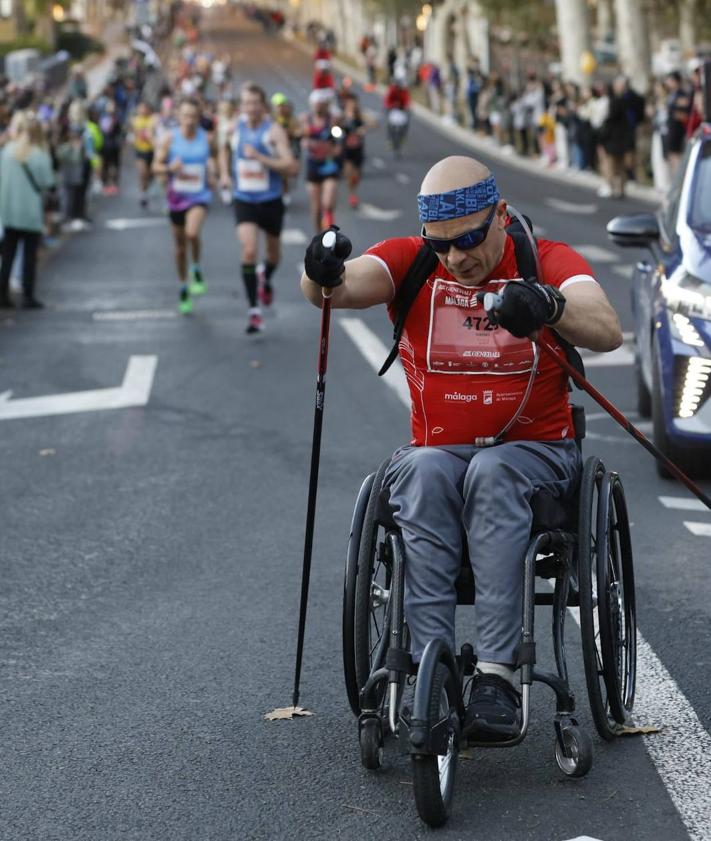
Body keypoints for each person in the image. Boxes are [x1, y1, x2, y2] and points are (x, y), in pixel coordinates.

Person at [300, 156, 622, 741]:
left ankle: (496, 678)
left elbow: (606, 328)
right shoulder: (416, 262)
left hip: (534, 453)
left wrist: (550, 305)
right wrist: (319, 270)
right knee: (419, 471)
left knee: (494, 472)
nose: (458, 258)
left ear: (499, 215)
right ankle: (431, 667)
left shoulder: (544, 260)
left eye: (470, 239)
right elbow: (338, 290)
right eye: (442, 244)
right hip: (440, 455)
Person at [219, 82, 297, 334]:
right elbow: (221, 149)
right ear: (240, 106)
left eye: (255, 103)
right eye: (246, 103)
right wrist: (223, 173)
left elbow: (291, 166)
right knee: (249, 249)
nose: (250, 108)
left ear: (262, 105)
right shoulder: (233, 128)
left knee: (274, 256)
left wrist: (261, 158)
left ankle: (265, 275)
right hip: (244, 198)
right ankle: (254, 311)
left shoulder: (273, 132)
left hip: (271, 200)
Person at [153, 96, 217, 314]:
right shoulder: (170, 139)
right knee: (180, 248)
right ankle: (183, 286)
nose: (189, 120)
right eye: (185, 116)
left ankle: (196, 267)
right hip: (176, 199)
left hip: (199, 196)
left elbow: (215, 159)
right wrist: (170, 168)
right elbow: (156, 166)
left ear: (199, 117)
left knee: (192, 233)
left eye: (193, 116)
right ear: (178, 116)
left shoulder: (207, 139)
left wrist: (214, 174)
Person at [0, 111, 55, 308]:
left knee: (8, 254)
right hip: (30, 212)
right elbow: (47, 181)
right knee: (29, 257)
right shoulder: (38, 154)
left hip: (8, 211)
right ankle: (28, 294)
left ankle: (3, 294)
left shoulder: (6, 151)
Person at [301, 88, 343, 233]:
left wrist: (336, 147)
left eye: (322, 104)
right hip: (313, 166)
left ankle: (331, 235)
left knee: (328, 203)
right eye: (316, 103)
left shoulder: (333, 119)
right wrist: (306, 142)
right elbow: (300, 137)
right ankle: (318, 237)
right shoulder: (305, 119)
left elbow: (339, 138)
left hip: (329, 165)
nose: (318, 106)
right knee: (316, 209)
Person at [340, 93, 374, 209]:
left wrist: (364, 128)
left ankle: (353, 188)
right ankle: (352, 194)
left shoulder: (360, 116)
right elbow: (334, 126)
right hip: (347, 150)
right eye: (350, 104)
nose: (352, 106)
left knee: (357, 175)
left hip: (358, 150)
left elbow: (374, 124)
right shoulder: (343, 117)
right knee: (349, 174)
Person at [271, 92, 301, 207]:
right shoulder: (271, 119)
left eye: (282, 105)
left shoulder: (291, 119)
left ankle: (285, 191)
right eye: (278, 106)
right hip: (275, 149)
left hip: (289, 148)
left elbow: (298, 131)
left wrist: (294, 133)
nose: (280, 108)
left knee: (286, 172)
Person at [131, 100, 157, 208]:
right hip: (140, 150)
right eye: (140, 108)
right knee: (143, 173)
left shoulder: (153, 120)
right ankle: (143, 194)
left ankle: (146, 189)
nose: (142, 110)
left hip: (152, 150)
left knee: (151, 174)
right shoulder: (135, 120)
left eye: (144, 108)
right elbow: (132, 133)